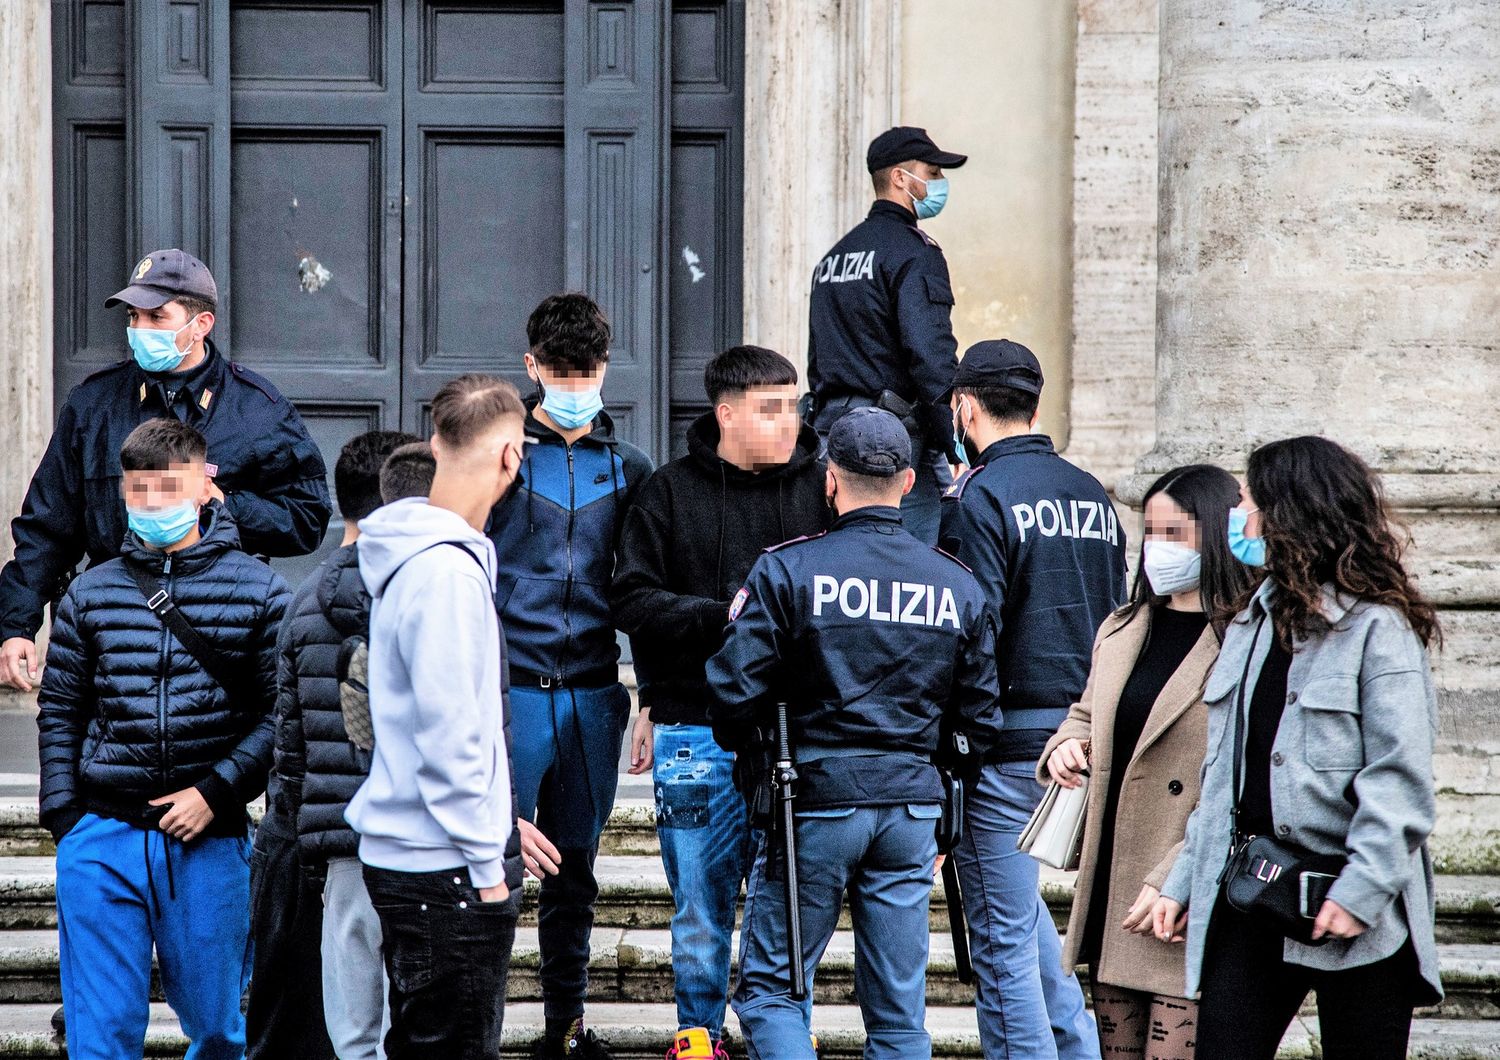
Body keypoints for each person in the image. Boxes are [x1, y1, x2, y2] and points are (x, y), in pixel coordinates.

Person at [706, 407, 1005, 1060]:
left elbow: (730, 692)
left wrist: (752, 754)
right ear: (905, 483)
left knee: (772, 992)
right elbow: (980, 720)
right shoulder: (956, 583)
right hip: (910, 808)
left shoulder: (788, 570)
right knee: (900, 1014)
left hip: (812, 800)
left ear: (830, 479)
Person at [1151, 437, 1443, 1060]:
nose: (1239, 517)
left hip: (1355, 907)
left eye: (1249, 502)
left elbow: (1400, 777)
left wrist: (1360, 891)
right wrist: (1184, 880)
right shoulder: (1252, 621)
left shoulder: (1377, 630)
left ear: (1292, 515)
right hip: (1254, 893)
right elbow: (1221, 778)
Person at [37, 418, 290, 1060]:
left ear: (206, 486)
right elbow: (61, 706)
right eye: (138, 490)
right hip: (102, 833)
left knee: (217, 1026)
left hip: (210, 839)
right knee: (99, 1031)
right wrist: (66, 816)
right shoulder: (90, 592)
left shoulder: (261, 591)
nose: (151, 503)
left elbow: (280, 714)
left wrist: (216, 790)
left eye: (167, 487)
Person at [611, 345, 830, 1058]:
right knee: (700, 908)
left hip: (798, 738)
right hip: (695, 735)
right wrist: (722, 616)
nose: (789, 422)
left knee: (788, 902)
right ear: (726, 412)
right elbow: (633, 599)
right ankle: (698, 1038)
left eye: (793, 405)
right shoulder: (667, 492)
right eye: (771, 408)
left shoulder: (821, 491)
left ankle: (780, 1031)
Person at [0, 248, 330, 692]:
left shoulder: (257, 411)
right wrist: (16, 623)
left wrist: (225, 505)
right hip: (110, 633)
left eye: (157, 317)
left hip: (218, 633)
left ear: (201, 326)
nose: (140, 330)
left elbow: (306, 518)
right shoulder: (94, 404)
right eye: (134, 317)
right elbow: (47, 523)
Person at [937, 339, 1126, 1059]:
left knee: (1001, 947)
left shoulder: (978, 495)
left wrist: (957, 748)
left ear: (965, 407)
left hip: (1007, 747)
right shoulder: (1092, 493)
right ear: (1037, 405)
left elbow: (969, 630)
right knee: (1023, 928)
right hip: (1083, 734)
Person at [1040, 465, 1254, 1060]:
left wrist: (1175, 874)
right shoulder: (1125, 625)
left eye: (1175, 533)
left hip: (1184, 878)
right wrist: (1063, 746)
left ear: (1214, 536)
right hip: (1116, 881)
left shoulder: (1246, 637)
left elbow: (1236, 776)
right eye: (1151, 531)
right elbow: (1087, 712)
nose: (1158, 548)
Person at [489, 294, 653, 1059]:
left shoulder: (630, 468)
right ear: (531, 368)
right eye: (558, 371)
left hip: (593, 693)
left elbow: (648, 586)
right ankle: (476, 1027)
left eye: (584, 371)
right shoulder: (499, 454)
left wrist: (648, 696)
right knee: (490, 869)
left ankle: (566, 1024)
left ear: (604, 370)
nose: (573, 383)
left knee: (575, 870)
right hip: (511, 691)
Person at [346, 374, 528, 1059]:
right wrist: (487, 868)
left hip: (417, 859)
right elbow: (453, 735)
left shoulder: (415, 556)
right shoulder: (446, 573)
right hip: (445, 868)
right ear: (511, 456)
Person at [246, 430, 416, 1060]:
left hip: (332, 842)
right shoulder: (424, 591)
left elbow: (288, 747)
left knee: (352, 1031)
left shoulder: (303, 602)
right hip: (418, 839)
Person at [805, 126, 967, 544]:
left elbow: (819, 356)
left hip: (830, 432)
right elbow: (930, 355)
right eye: (930, 173)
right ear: (899, 177)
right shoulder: (914, 251)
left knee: (841, 551)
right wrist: (957, 443)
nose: (937, 183)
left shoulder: (834, 257)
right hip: (891, 439)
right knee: (905, 561)